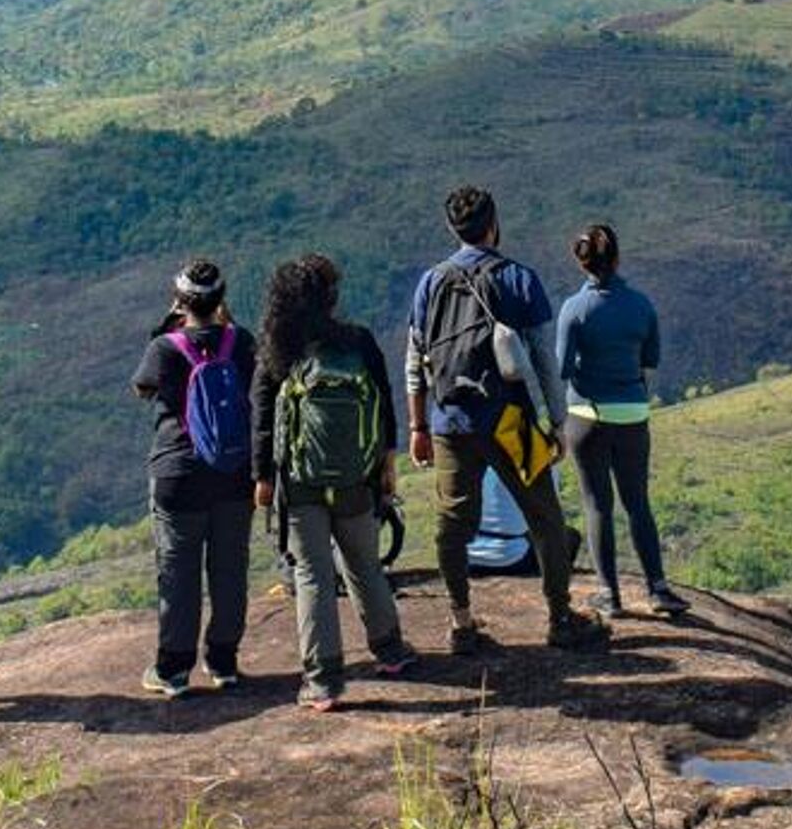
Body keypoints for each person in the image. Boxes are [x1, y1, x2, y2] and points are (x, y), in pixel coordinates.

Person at [404, 185, 610, 655]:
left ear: (451, 229)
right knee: (546, 519)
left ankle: (461, 623)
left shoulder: (431, 282)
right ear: (494, 224)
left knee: (452, 524)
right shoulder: (519, 279)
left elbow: (415, 360)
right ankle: (560, 618)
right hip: (509, 421)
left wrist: (417, 426)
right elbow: (542, 359)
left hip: (450, 420)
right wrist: (557, 424)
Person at [252, 251, 415, 713]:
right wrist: (386, 466)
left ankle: (323, 681)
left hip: (300, 484)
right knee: (364, 563)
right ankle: (390, 652)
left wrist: (262, 477)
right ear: (330, 298)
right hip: (355, 479)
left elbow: (263, 418)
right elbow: (382, 404)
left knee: (312, 574)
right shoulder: (358, 342)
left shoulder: (279, 351)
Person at [132, 258, 259, 695]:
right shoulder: (241, 341)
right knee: (229, 569)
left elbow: (143, 390)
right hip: (233, 471)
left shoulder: (165, 348)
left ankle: (173, 669)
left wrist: (167, 327)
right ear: (221, 299)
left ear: (180, 301)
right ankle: (223, 661)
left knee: (178, 573)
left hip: (178, 473)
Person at [555, 224, 684, 620]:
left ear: (582, 264)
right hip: (632, 414)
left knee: (597, 506)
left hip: (586, 416)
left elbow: (561, 367)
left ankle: (609, 596)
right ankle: (658, 588)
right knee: (637, 502)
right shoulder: (641, 305)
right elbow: (650, 360)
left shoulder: (574, 309)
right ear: (618, 257)